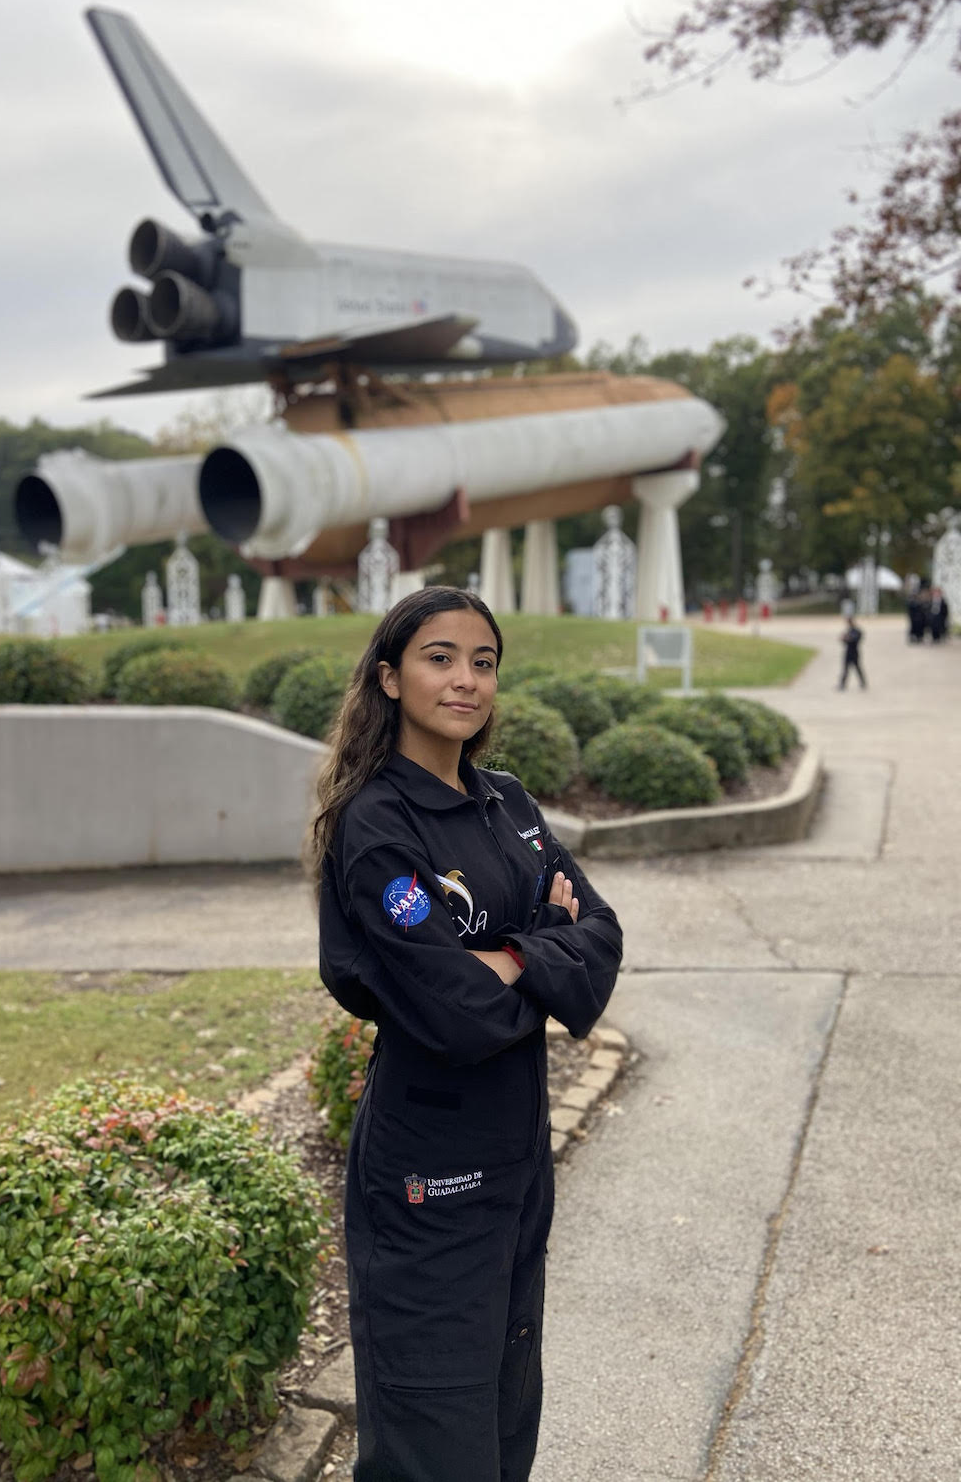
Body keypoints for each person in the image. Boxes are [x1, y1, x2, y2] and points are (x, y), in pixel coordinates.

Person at [309, 586, 623, 1482]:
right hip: (428, 1178)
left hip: (519, 1161)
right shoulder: (377, 825)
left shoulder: (509, 803)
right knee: (433, 1439)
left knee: (502, 1420)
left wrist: (503, 957)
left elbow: (601, 937)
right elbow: (454, 1012)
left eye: (483, 662)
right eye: (440, 657)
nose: (466, 680)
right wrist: (542, 953)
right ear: (390, 677)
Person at [838, 613, 867, 689]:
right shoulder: (849, 630)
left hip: (854, 653)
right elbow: (844, 639)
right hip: (848, 652)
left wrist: (848, 638)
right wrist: (845, 638)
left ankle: (863, 683)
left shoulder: (857, 631)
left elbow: (855, 639)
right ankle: (842, 684)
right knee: (845, 669)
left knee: (858, 668)